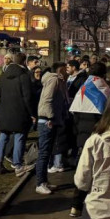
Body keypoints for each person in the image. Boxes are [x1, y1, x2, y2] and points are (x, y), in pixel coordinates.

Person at [69, 62, 110, 218]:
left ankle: (76, 205)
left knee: (83, 169)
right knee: (97, 170)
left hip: (81, 135)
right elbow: (106, 114)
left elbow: (75, 113)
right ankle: (94, 203)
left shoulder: (83, 88)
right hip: (97, 135)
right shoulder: (104, 90)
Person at [0, 52, 36, 176]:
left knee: (3, 135)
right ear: (24, 61)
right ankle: (18, 165)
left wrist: (5, 104)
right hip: (20, 111)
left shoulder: (4, 75)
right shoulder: (24, 76)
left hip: (5, 110)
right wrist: (32, 113)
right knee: (19, 136)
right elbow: (27, 96)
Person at [35, 62, 71, 195]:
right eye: (65, 69)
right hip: (47, 121)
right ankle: (40, 183)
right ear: (60, 69)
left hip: (52, 120)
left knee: (47, 151)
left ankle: (44, 181)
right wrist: (49, 117)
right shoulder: (54, 80)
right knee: (44, 152)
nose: (68, 71)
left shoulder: (58, 81)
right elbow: (47, 99)